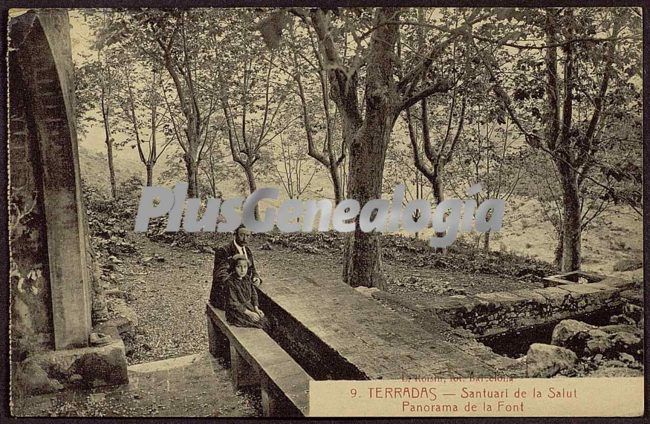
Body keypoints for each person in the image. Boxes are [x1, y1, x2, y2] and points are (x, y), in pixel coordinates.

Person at [209, 224, 262, 309]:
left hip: (243, 293)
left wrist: (256, 277)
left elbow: (252, 269)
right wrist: (237, 285)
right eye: (242, 235)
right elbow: (220, 274)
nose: (245, 239)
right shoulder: (224, 251)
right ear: (235, 235)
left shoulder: (247, 251)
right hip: (226, 296)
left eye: (247, 235)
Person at [225, 254, 268, 330]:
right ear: (233, 268)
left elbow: (254, 293)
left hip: (248, 307)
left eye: (245, 267)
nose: (242, 270)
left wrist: (256, 308)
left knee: (266, 321)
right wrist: (250, 313)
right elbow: (233, 303)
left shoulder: (247, 278)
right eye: (239, 267)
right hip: (236, 312)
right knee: (259, 324)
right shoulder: (230, 282)